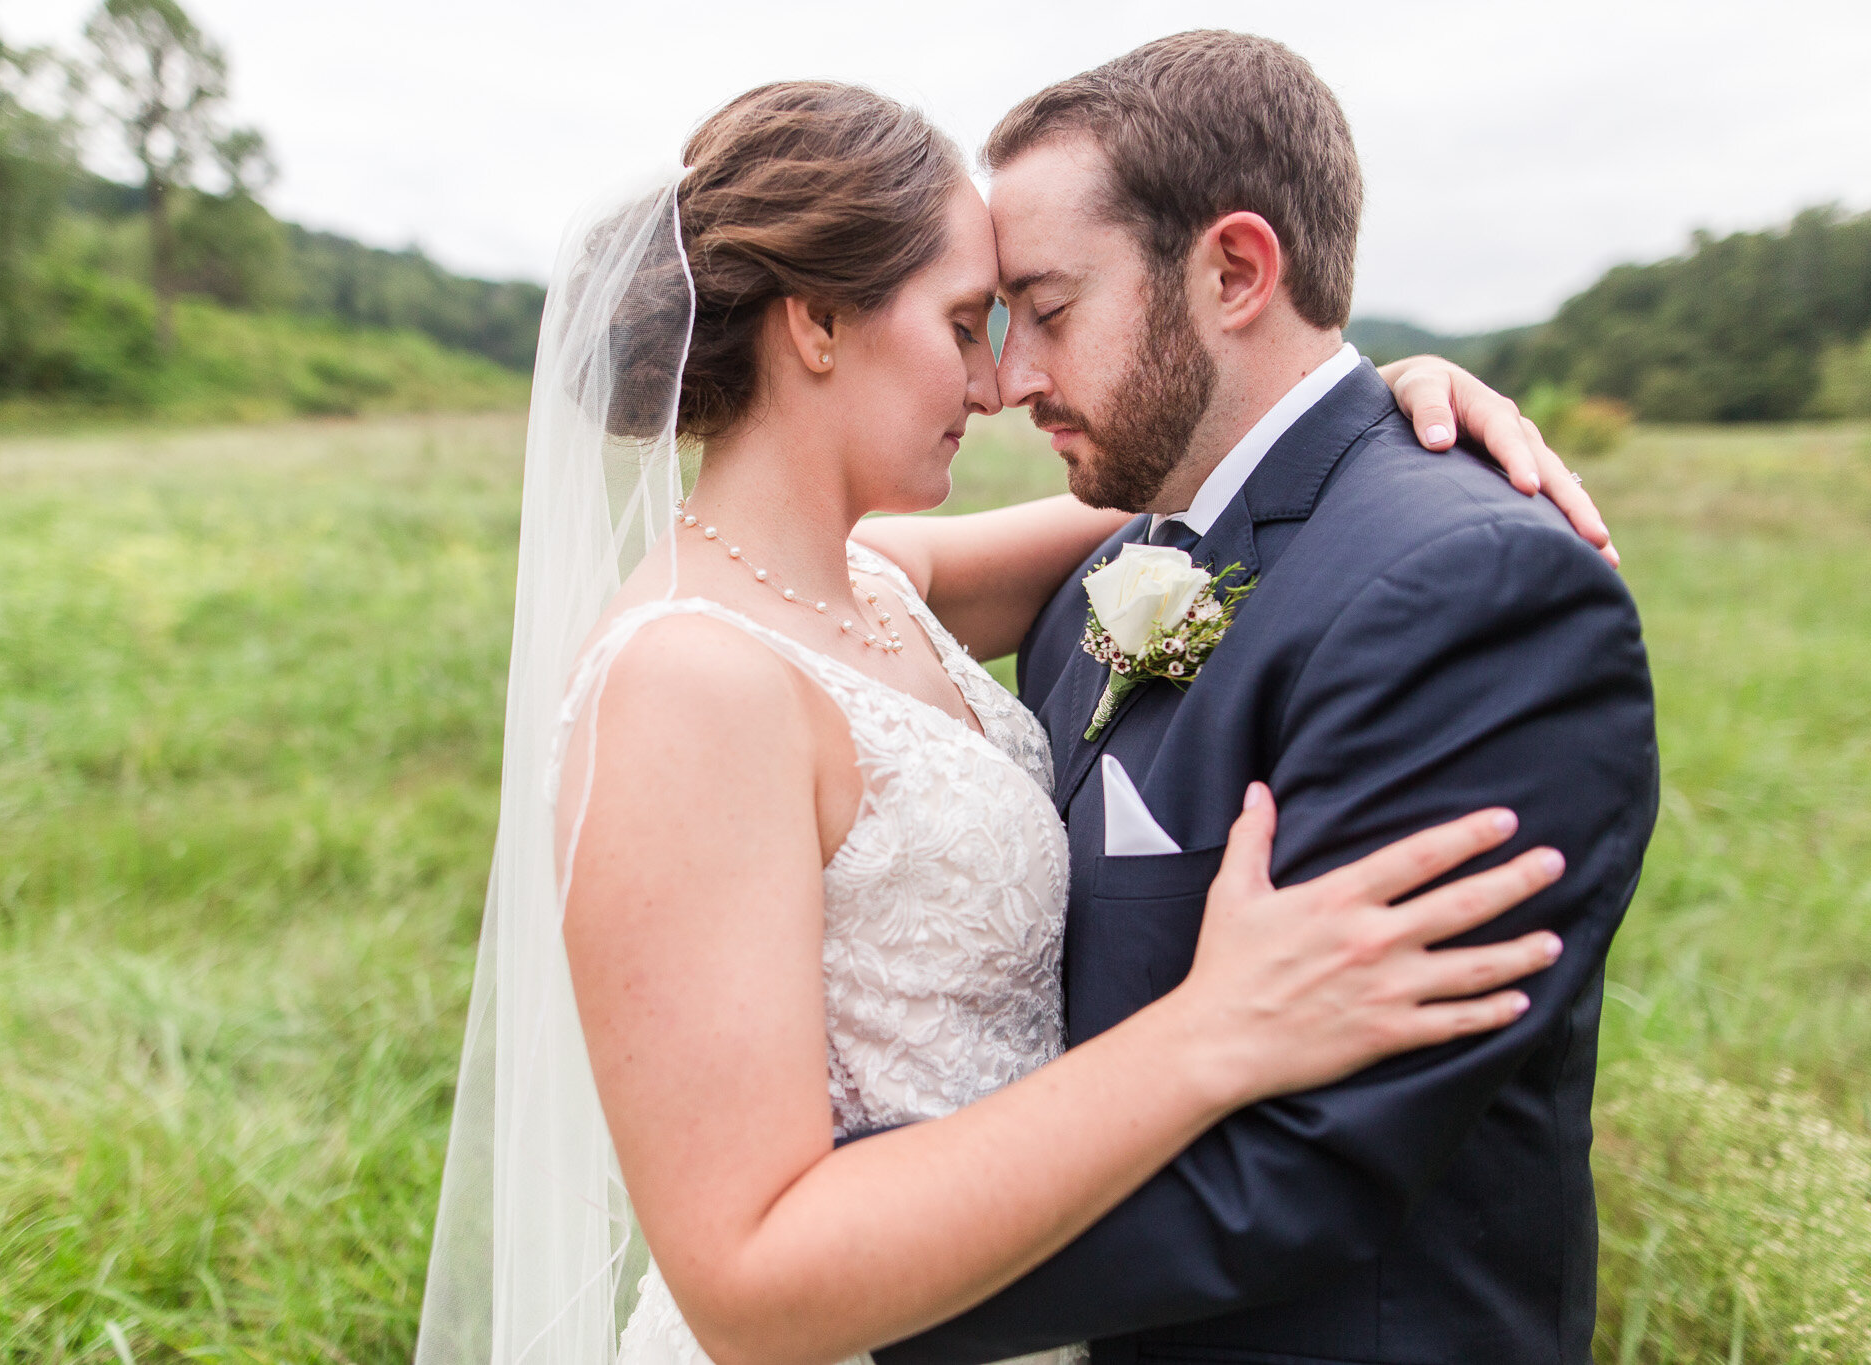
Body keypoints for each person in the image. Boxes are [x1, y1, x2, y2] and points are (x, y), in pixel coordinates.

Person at [413, 71, 1630, 1365]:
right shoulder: (688, 676)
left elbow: (1228, 481)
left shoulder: (872, 580)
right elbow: (747, 1274)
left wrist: (1380, 401)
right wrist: (1207, 1034)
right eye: (969, 320)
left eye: (1033, 312)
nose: (1000, 380)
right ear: (817, 324)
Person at [855, 33, 1657, 1365]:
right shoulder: (1123, 558)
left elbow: (1316, 1162)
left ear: (1234, 270)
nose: (1013, 379)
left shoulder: (1476, 587)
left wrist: (831, 1266)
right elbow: (784, 583)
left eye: (1048, 309)